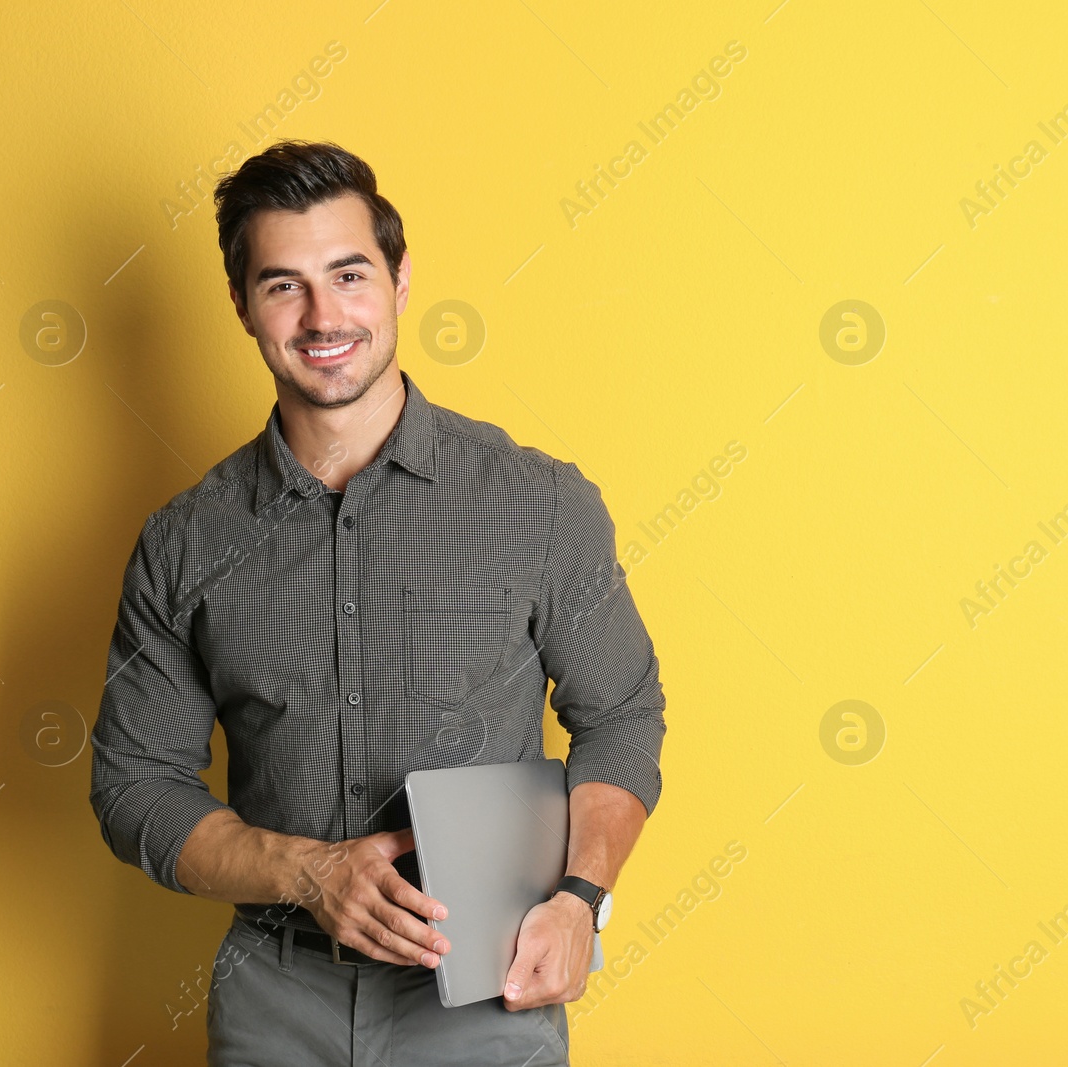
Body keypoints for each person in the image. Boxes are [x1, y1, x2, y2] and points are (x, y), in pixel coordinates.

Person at [88, 140, 666, 1066]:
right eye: (283, 285)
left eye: (348, 273)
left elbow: (622, 714)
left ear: (398, 280)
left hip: (485, 991)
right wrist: (308, 872)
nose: (324, 316)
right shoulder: (184, 541)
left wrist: (578, 898)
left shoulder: (539, 503)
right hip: (275, 995)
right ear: (241, 305)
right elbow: (133, 785)